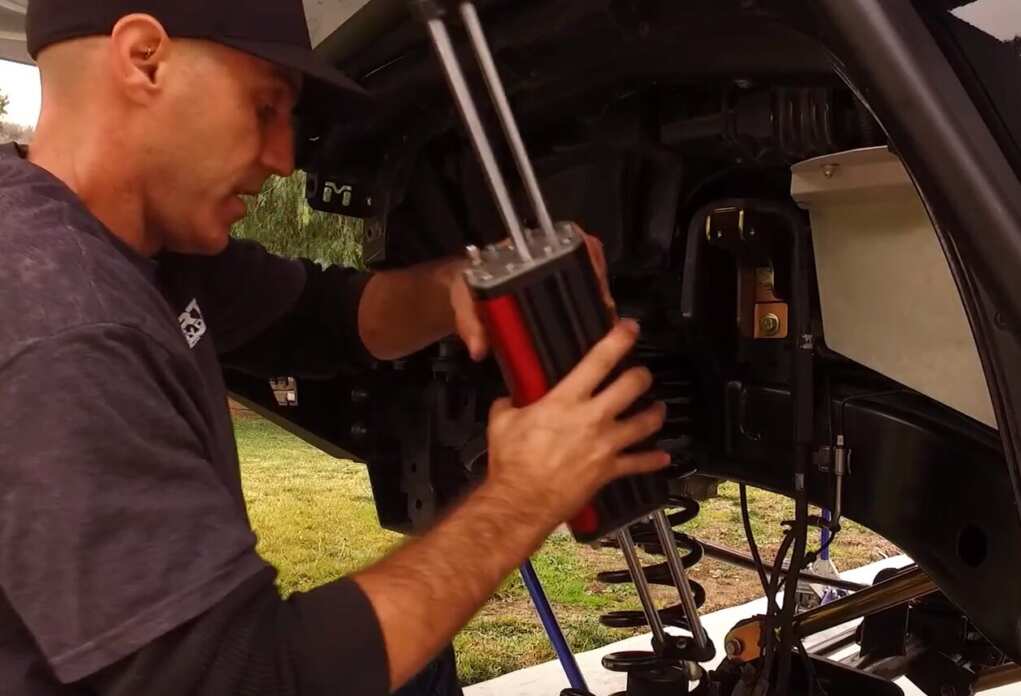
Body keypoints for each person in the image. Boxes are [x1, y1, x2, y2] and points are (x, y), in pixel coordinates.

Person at [0, 1, 670, 694]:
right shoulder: (61, 322)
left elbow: (325, 318)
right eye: (265, 107)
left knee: (419, 668)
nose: (283, 159)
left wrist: (460, 283)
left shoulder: (133, 249)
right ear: (145, 59)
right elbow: (238, 680)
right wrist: (524, 496)